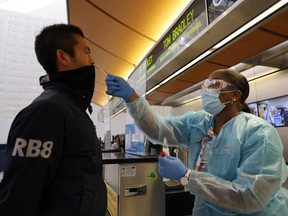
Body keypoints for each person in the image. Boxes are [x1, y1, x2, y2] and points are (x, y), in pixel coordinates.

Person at [105, 69, 288, 216]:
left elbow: (250, 197)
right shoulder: (199, 122)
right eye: (205, 85)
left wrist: (188, 176)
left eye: (214, 84)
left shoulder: (259, 133)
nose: (207, 90)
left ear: (235, 95)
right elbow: (158, 129)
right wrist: (132, 98)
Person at [0, 24, 107, 216]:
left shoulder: (72, 108)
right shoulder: (47, 111)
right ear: (63, 57)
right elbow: (18, 195)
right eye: (86, 51)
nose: (92, 60)